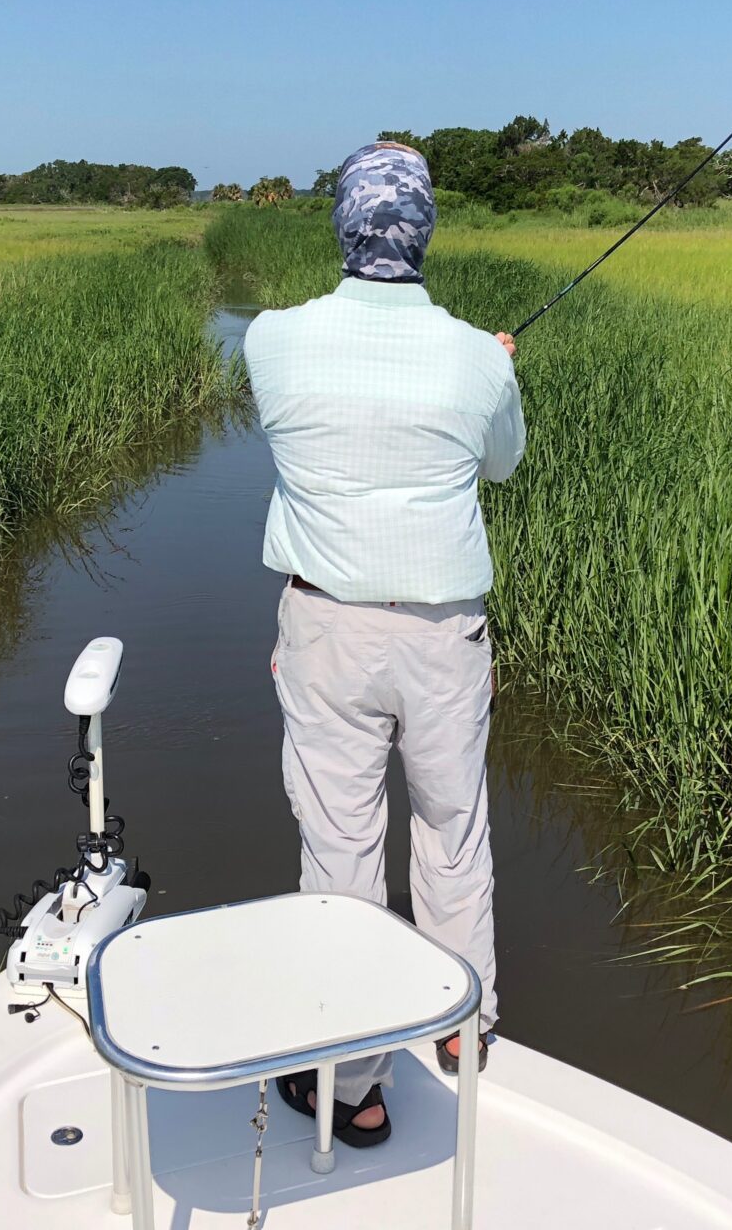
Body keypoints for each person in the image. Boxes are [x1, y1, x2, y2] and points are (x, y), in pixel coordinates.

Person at [242, 141, 524, 1147]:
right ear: (426, 230)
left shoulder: (272, 340)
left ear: (345, 226)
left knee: (342, 846)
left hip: (326, 629)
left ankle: (353, 1082)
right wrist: (496, 367)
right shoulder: (476, 359)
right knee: (453, 828)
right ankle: (462, 1026)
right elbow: (504, 461)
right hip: (446, 634)